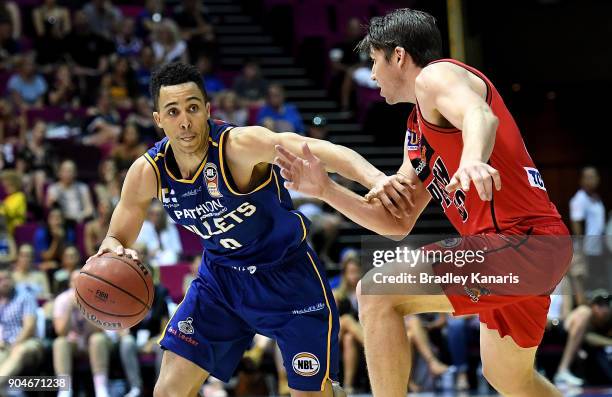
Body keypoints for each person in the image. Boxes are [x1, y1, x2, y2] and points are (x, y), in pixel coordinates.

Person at [275, 8, 573, 397]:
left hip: (520, 240)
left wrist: (471, 161)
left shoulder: (437, 76)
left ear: (398, 56)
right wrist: (328, 190)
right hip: (530, 250)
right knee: (508, 379)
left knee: (376, 291)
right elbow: (395, 223)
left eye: (374, 62)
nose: (373, 75)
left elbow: (479, 115)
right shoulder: (417, 127)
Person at [87, 61, 392, 396]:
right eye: (172, 112)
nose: (185, 121)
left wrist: (375, 179)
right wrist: (112, 248)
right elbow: (118, 233)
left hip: (287, 277)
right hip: (221, 281)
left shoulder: (239, 147)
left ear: (207, 109)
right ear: (158, 119)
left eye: (192, 108)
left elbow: (321, 152)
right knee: (168, 391)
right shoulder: (148, 172)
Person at [53, 270, 112, 397]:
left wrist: (84, 308)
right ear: (70, 284)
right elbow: (61, 332)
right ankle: (65, 390)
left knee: (98, 339)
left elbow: (99, 329)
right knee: (60, 342)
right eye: (75, 281)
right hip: (73, 343)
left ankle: (101, 389)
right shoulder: (61, 300)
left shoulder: (98, 298)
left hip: (92, 343)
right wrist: (69, 308)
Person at [0, 266, 44, 390]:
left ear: (12, 279)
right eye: (0, 279)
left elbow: (29, 326)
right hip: (6, 345)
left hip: (28, 342)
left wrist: (15, 343)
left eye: (7, 278)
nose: (4, 282)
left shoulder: (24, 296)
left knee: (19, 351)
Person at [569, 166, 607, 304]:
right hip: (586, 250)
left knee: (597, 285)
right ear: (582, 180)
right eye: (588, 177)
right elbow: (576, 223)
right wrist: (582, 248)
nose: (592, 179)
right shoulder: (580, 199)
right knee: (584, 284)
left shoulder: (596, 199)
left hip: (598, 250)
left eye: (594, 176)